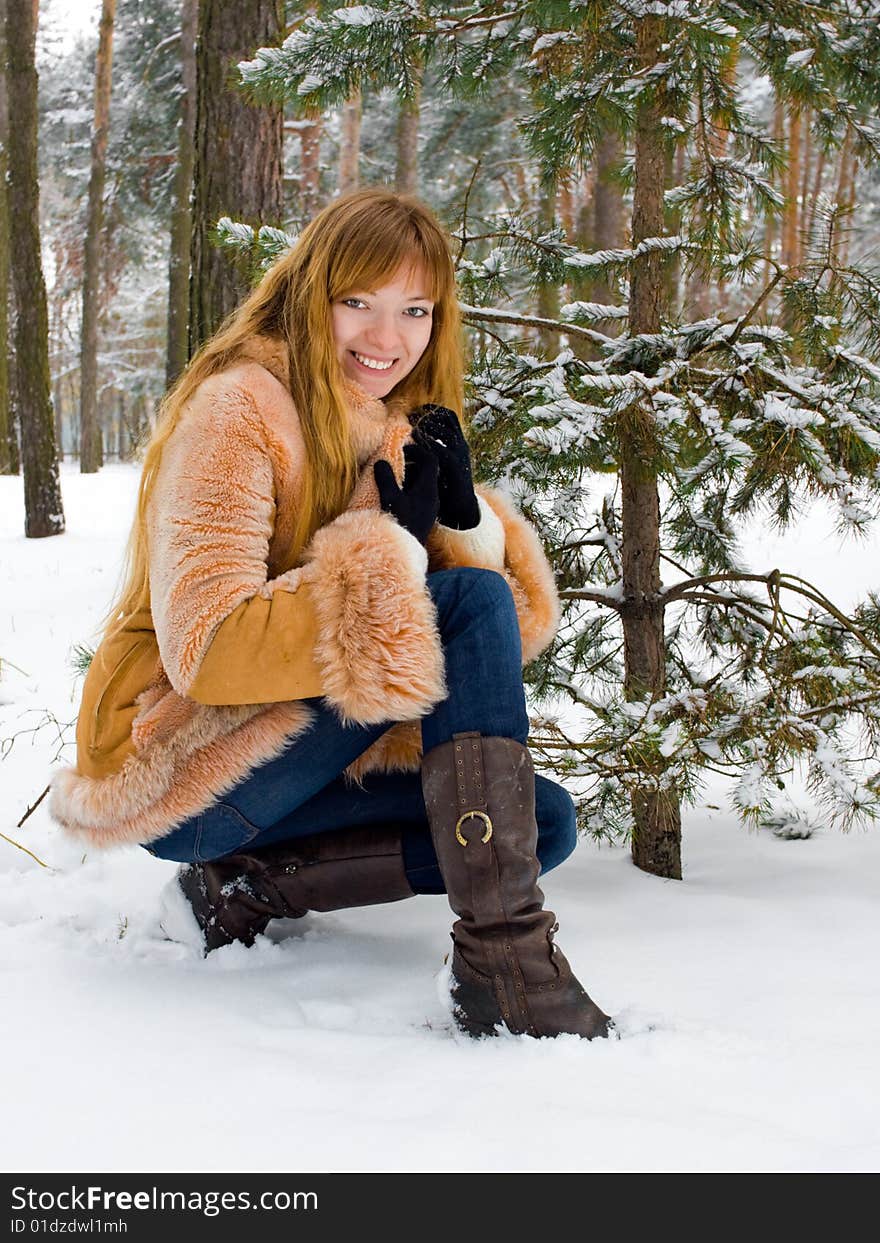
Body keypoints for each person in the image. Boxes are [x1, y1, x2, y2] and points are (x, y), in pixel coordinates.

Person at [50, 188, 612, 1041]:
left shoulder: (388, 423)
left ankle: (242, 888)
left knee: (538, 826)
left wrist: (461, 523)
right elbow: (208, 650)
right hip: (184, 767)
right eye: (360, 303)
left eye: (414, 310)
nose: (387, 339)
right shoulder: (238, 406)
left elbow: (489, 643)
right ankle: (506, 964)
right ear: (314, 294)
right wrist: (393, 552)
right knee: (467, 599)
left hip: (304, 762)